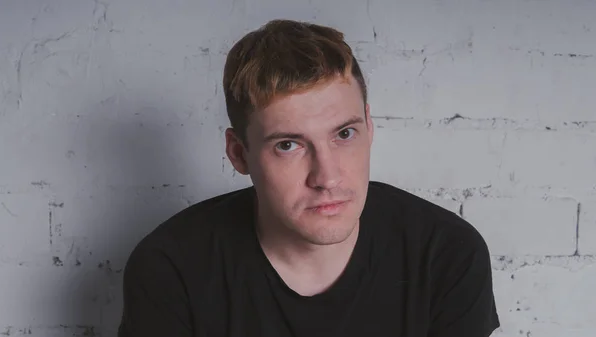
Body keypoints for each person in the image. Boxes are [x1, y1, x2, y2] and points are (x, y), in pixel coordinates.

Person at [118, 19, 500, 337]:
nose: (327, 176)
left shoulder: (446, 254)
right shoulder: (171, 267)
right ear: (239, 154)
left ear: (369, 126)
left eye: (344, 134)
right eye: (288, 145)